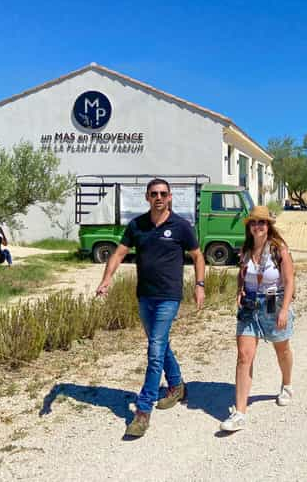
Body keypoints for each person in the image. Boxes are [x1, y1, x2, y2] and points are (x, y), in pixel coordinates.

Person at [96, 178, 206, 438]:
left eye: (163, 193)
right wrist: (106, 278)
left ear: (169, 197)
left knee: (154, 350)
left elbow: (198, 256)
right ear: (147, 197)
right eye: (154, 193)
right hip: (145, 296)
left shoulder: (181, 226)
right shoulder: (137, 225)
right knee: (161, 344)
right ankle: (177, 386)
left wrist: (199, 284)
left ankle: (143, 411)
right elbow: (119, 253)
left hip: (169, 296)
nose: (159, 197)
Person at [220, 206, 295, 432]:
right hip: (249, 305)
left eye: (262, 222)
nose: (257, 226)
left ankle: (287, 385)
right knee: (244, 356)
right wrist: (239, 291)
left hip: (273, 299)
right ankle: (240, 413)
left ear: (268, 226)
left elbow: (289, 281)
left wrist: (284, 310)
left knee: (281, 348)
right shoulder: (245, 250)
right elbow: (242, 275)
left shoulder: (278, 249)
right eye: (254, 223)